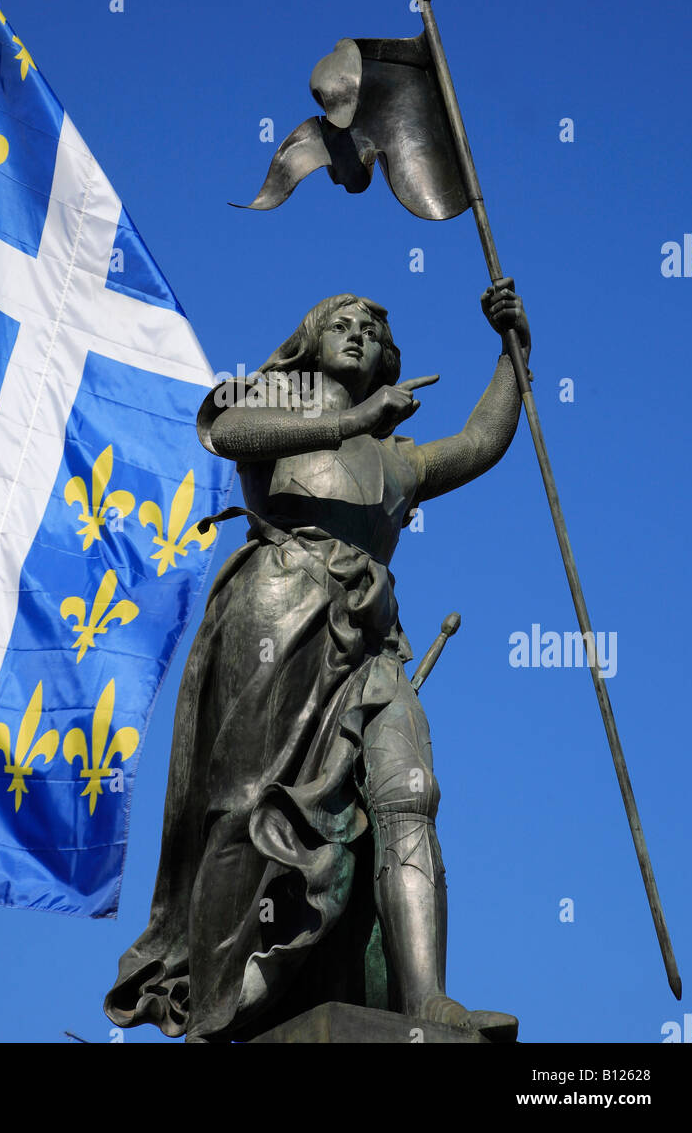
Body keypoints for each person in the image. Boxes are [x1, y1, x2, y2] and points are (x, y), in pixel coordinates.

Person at [106, 279, 531, 1043]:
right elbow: (225, 431)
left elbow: (478, 444)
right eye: (343, 321)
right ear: (310, 337)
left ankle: (426, 997)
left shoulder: (397, 461)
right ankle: (213, 1005)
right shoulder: (274, 398)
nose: (361, 332)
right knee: (242, 807)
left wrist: (513, 354)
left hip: (371, 637)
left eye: (373, 325)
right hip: (278, 607)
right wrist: (347, 421)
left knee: (410, 791)